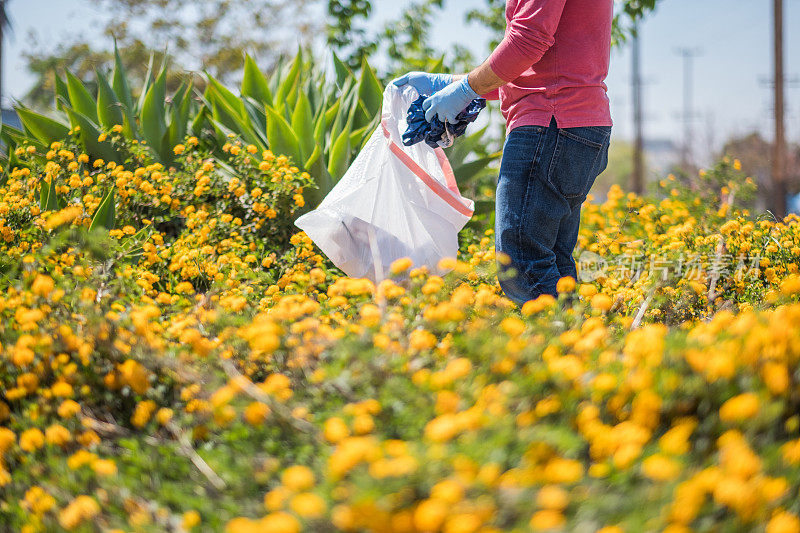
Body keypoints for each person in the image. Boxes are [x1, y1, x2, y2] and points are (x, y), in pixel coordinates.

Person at [393, 0, 613, 306]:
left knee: (522, 260)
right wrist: (456, 84)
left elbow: (528, 41)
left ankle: (553, 349)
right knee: (551, 261)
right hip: (575, 126)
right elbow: (542, 67)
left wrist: (466, 89)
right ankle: (578, 345)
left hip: (549, 126)